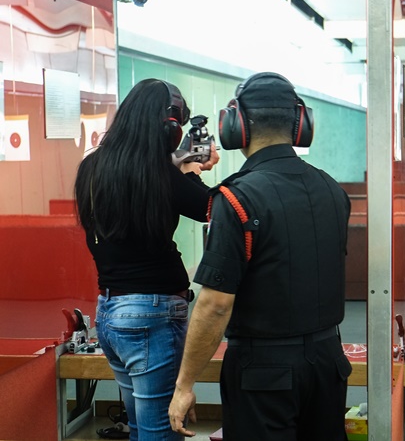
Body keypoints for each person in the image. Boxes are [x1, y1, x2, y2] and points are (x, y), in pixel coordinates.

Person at [168, 72, 352, 440]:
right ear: (301, 123)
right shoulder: (332, 190)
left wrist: (184, 385)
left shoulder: (236, 199)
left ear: (234, 124)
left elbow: (216, 304)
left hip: (263, 372)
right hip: (328, 363)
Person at [74, 78, 219, 441]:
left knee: (140, 427)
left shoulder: (92, 167)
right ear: (167, 126)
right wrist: (190, 171)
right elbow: (212, 208)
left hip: (109, 313)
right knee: (160, 432)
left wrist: (179, 168)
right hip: (153, 314)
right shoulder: (163, 175)